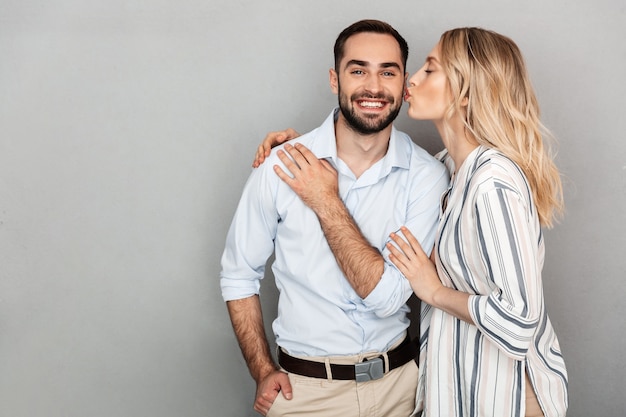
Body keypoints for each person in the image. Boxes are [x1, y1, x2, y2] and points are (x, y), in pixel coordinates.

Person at [254, 28, 568, 417]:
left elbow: (520, 323)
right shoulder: (449, 171)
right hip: (464, 390)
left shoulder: (492, 183)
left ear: (466, 93)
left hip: (507, 397)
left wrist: (433, 292)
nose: (412, 79)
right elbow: (376, 168)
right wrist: (314, 148)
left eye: (430, 70)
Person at [220, 19, 449, 417]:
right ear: (334, 79)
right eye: (358, 70)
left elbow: (387, 298)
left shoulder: (428, 176)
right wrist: (261, 369)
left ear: (404, 83)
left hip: (401, 390)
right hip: (304, 395)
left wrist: (325, 201)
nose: (373, 87)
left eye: (387, 72)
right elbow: (238, 274)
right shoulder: (279, 165)